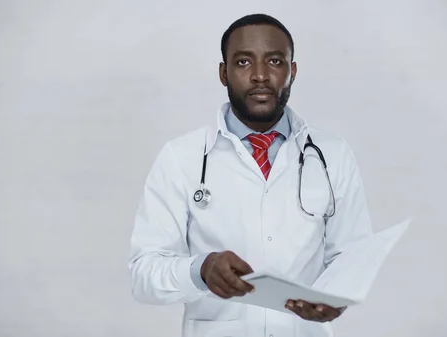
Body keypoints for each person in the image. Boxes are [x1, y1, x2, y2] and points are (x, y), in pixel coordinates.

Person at [128, 13, 372, 337]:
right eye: (243, 62)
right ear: (223, 73)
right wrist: (200, 269)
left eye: (274, 61)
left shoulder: (333, 155)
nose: (260, 75)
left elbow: (353, 258)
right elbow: (143, 274)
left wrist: (337, 293)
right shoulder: (180, 158)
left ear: (292, 71)